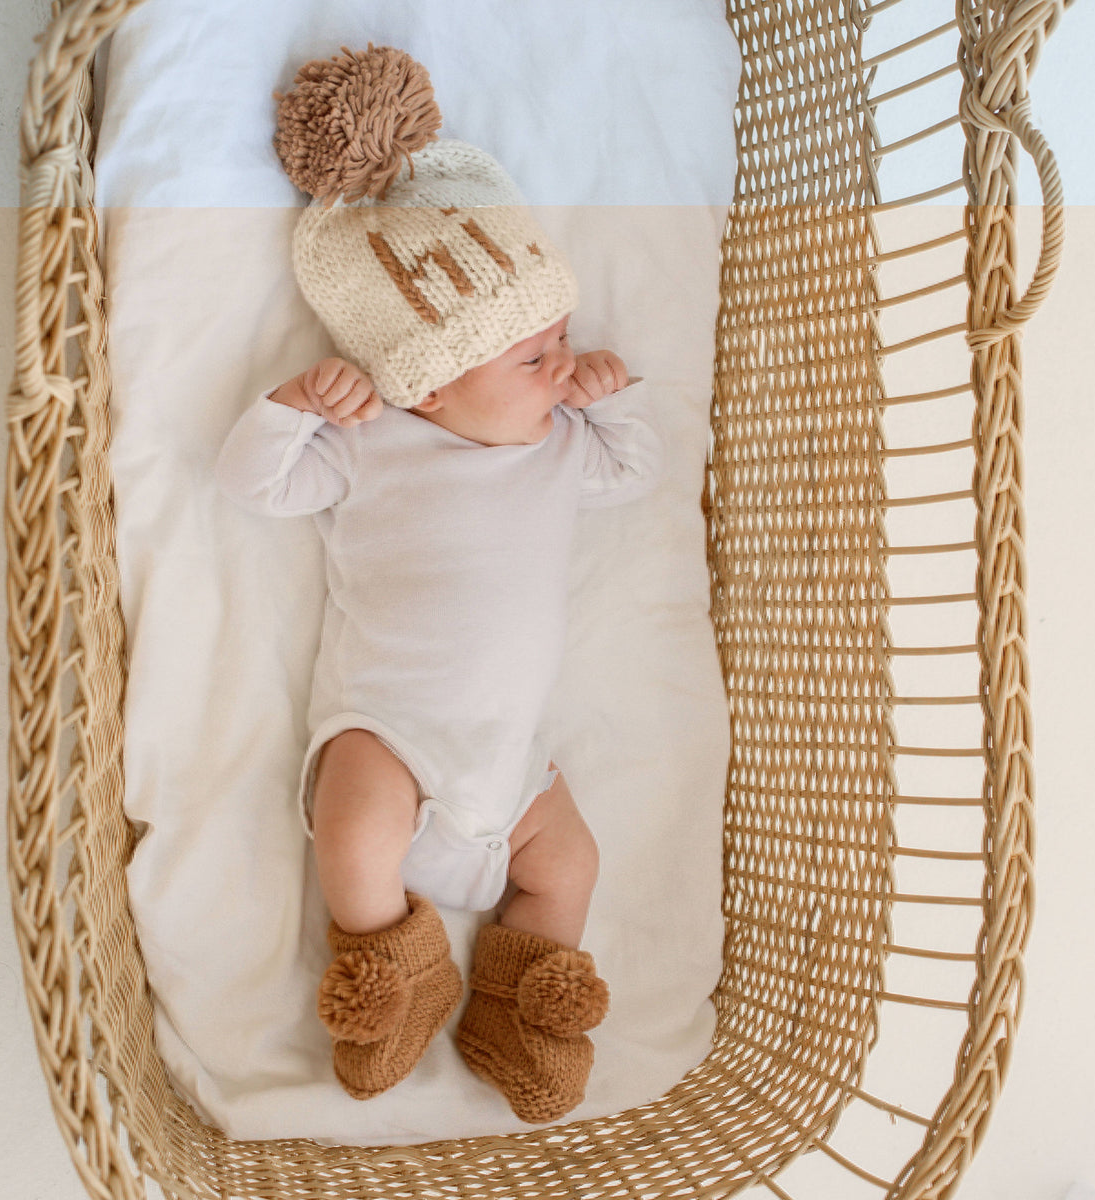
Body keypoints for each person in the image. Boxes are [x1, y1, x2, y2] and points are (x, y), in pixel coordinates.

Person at [215, 44, 662, 1124]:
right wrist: (295, 404)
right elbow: (253, 486)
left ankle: (521, 1004)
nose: (562, 366)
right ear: (429, 380)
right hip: (391, 734)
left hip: (516, 772)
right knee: (357, 825)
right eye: (535, 358)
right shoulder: (372, 447)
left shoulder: (562, 446)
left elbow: (633, 471)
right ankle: (392, 967)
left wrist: (607, 399)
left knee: (569, 862)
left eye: (561, 341)